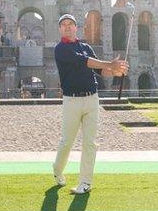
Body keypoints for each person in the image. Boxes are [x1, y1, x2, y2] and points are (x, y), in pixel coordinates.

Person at [53, 14, 129, 194]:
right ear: (60, 29)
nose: (67, 27)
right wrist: (111, 63)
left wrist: (116, 71)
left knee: (90, 143)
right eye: (63, 25)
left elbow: (100, 71)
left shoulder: (86, 47)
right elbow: (84, 61)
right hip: (71, 101)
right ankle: (57, 170)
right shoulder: (61, 49)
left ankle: (85, 183)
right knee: (66, 142)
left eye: (70, 24)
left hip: (91, 99)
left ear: (75, 27)